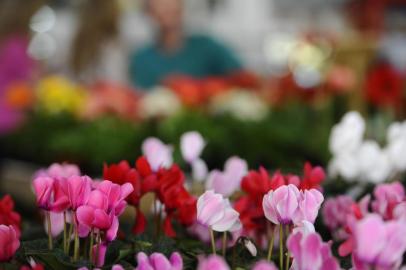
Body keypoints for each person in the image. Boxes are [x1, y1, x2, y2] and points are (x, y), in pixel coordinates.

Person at [129, 0, 243, 89]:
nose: (166, 7)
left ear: (182, 7)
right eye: (159, 3)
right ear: (149, 12)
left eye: (171, 2)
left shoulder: (207, 47)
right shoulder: (142, 59)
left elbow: (241, 76)